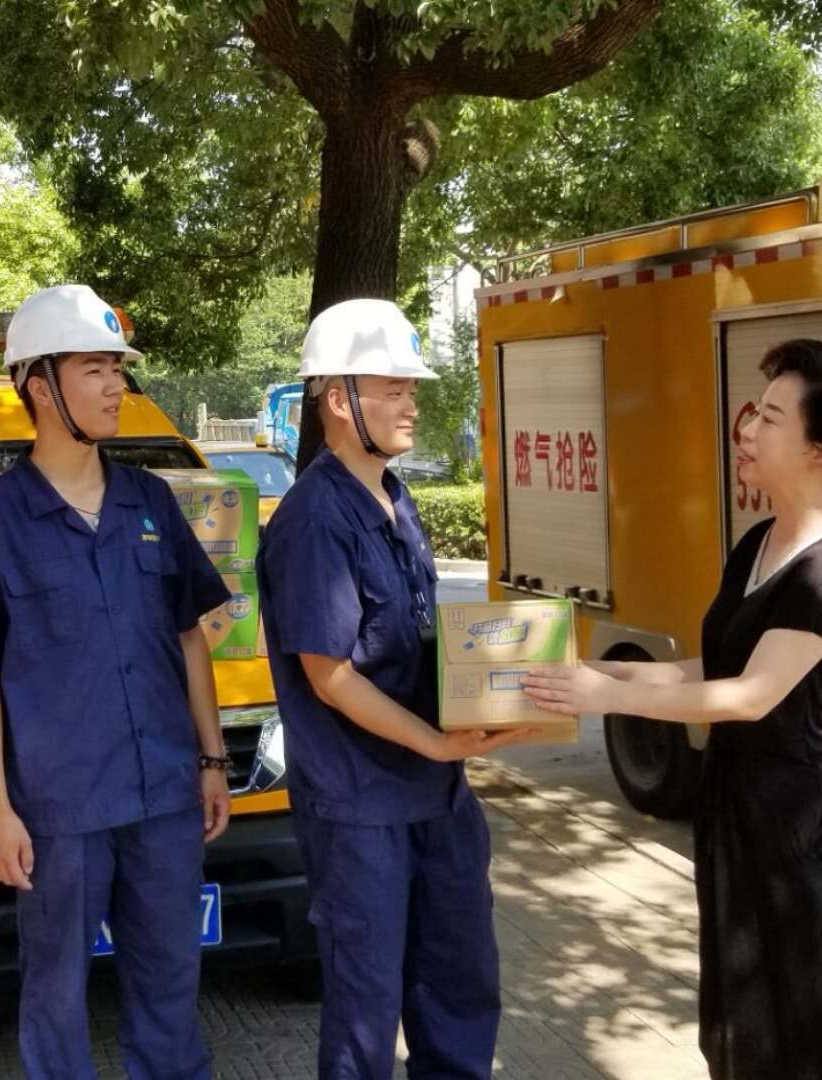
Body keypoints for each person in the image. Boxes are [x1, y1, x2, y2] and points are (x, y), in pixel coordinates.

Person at [523, 338, 822, 1080]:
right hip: (738, 800)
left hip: (807, 815)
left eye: (770, 418)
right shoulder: (761, 540)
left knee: (812, 1018)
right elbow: (718, 667)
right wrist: (602, 672)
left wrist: (609, 698)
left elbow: (753, 695)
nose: (748, 429)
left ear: (818, 452)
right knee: (742, 1015)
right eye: (754, 413)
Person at [0, 284, 231, 1079]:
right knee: (55, 995)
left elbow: (189, 637)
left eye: (117, 369)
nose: (115, 385)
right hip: (59, 812)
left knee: (170, 983)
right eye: (94, 369)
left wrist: (211, 759)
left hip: (164, 796)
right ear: (38, 384)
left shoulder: (150, 501)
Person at [256, 298, 535, 1080]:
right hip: (360, 809)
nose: (412, 403)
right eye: (394, 389)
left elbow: (417, 638)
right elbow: (330, 676)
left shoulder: (395, 498)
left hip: (437, 799)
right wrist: (437, 742)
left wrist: (493, 690)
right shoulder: (314, 519)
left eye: (412, 388)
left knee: (459, 989)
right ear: (340, 400)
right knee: (366, 1016)